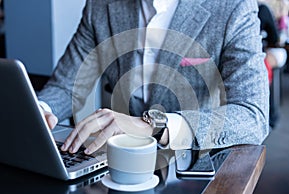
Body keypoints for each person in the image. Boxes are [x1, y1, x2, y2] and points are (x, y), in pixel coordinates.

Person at [37, 0, 269, 155]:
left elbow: (252, 114)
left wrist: (153, 127)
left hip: (192, 161)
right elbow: (66, 86)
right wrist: (39, 109)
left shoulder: (233, 7)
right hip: (117, 161)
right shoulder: (99, 6)